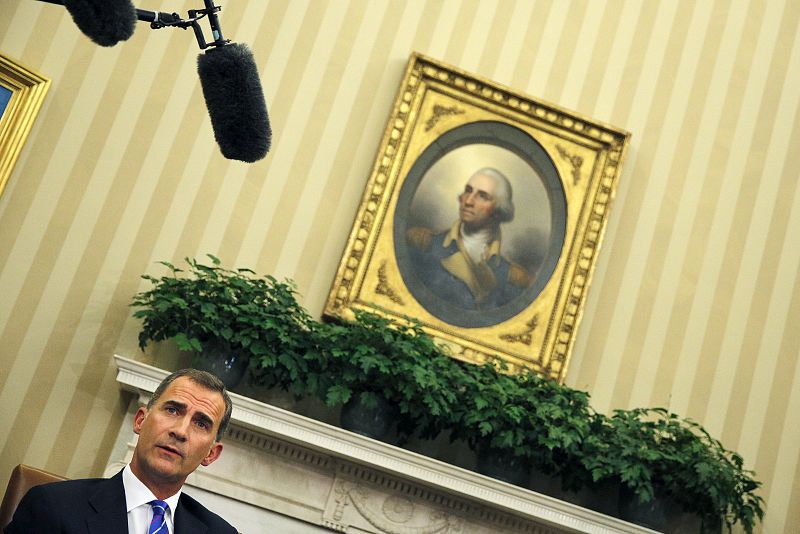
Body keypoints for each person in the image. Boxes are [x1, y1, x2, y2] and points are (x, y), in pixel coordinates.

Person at [7, 368, 238, 533]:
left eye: (201, 424)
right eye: (172, 410)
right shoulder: (53, 507)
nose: (180, 431)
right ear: (140, 421)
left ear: (211, 454)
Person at [406, 167, 532, 311]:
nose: (468, 201)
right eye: (468, 190)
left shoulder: (514, 278)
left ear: (499, 210)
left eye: (482, 196)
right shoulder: (422, 243)